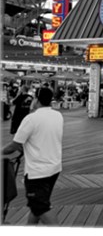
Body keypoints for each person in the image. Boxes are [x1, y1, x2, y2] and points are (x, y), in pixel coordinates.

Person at [2, 87, 63, 225]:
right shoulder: (58, 116)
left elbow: (14, 145)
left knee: (40, 206)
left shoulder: (31, 119)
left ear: (37, 100)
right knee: (37, 205)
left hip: (37, 173)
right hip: (54, 168)